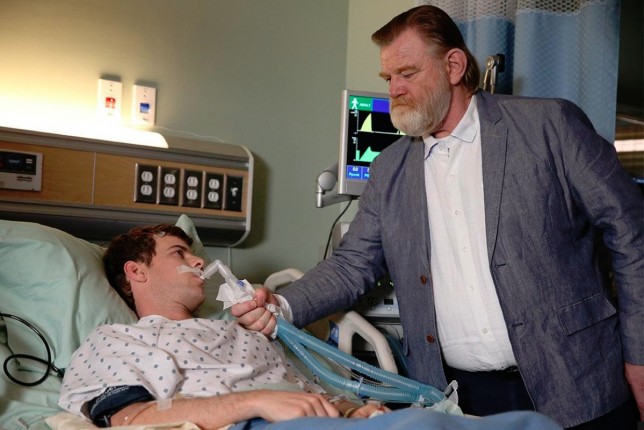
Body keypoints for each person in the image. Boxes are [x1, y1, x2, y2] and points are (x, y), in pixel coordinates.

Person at [232, 5, 644, 430]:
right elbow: (353, 263)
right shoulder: (389, 169)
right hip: (460, 398)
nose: (394, 89)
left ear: (453, 66)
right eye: (388, 78)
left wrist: (640, 355)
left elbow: (632, 234)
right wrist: (283, 304)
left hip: (578, 381)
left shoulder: (547, 126)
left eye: (407, 73)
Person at [58, 224, 561, 430]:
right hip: (252, 426)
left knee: (534, 426)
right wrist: (255, 403)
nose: (197, 262)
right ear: (136, 272)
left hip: (322, 420)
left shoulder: (244, 330)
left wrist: (355, 408)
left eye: (194, 253)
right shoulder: (117, 340)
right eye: (178, 253)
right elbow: (131, 420)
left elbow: (310, 390)